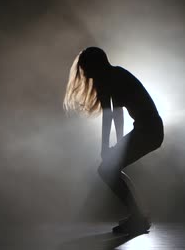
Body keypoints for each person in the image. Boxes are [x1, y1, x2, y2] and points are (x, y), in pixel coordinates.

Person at [64, 47, 164, 234]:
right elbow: (108, 115)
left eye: (87, 69)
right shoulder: (108, 78)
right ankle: (138, 216)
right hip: (147, 129)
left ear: (95, 65)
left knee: (107, 169)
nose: (86, 75)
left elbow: (116, 115)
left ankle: (138, 217)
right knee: (108, 169)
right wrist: (110, 146)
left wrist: (115, 146)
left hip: (150, 130)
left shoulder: (116, 77)